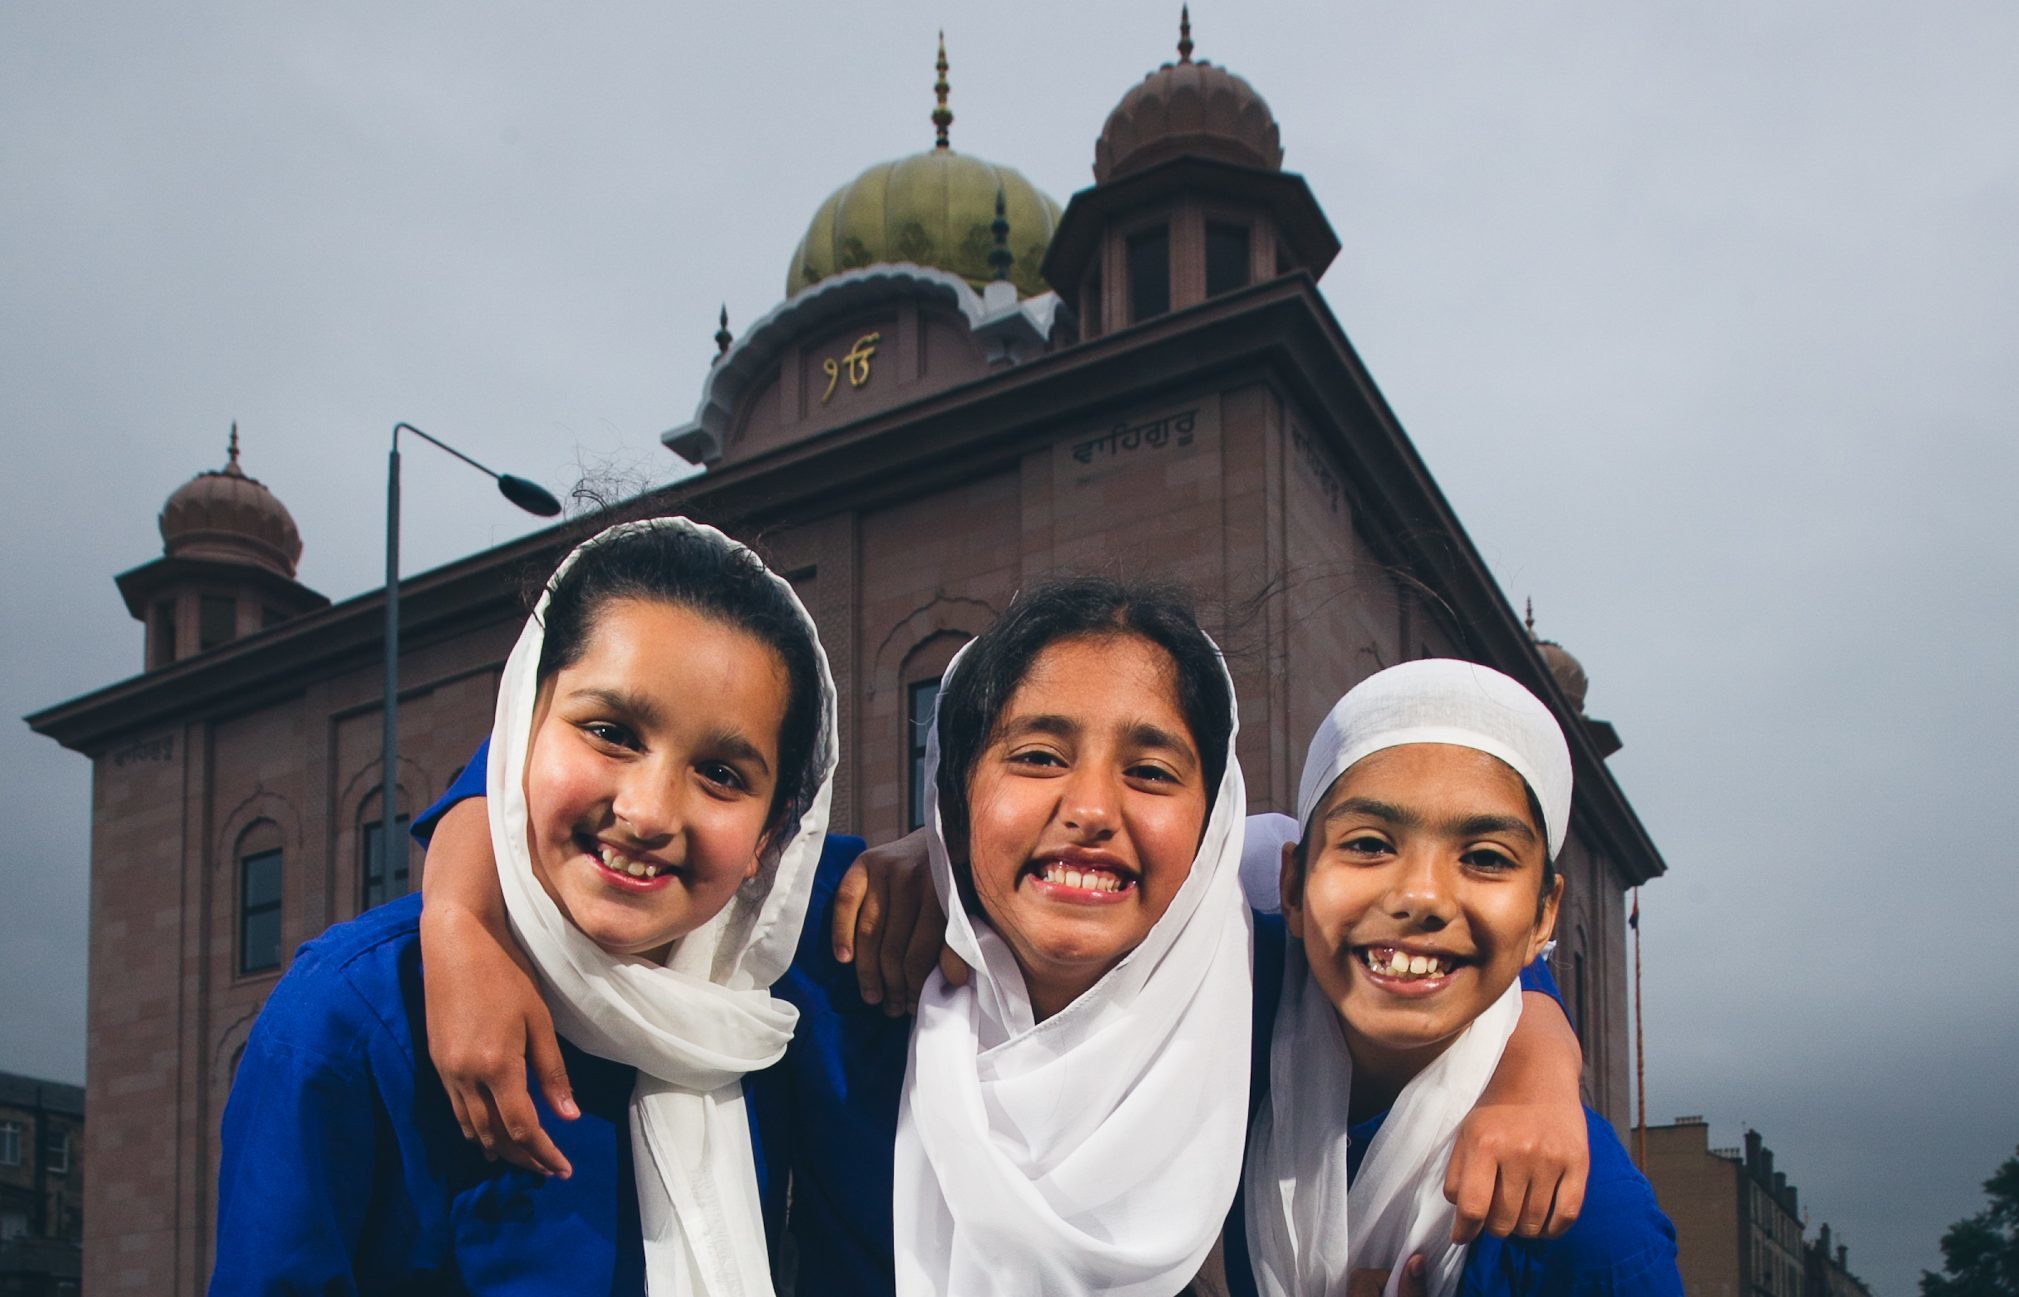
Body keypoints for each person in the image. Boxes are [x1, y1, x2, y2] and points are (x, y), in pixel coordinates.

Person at [419, 581, 1594, 1295]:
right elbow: (616, 772)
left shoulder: (1247, 982)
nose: (1090, 806)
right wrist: (461, 909)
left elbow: (1439, 932)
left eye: (1150, 769)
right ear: (956, 786)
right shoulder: (848, 944)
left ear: (1215, 813)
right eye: (1034, 757)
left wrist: (1542, 1055)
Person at [209, 518, 838, 1296]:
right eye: (609, 732)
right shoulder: (355, 1016)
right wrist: (459, 918)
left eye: (720, 773)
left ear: (769, 839)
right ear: (520, 730)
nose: (647, 811)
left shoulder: (759, 1017)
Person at [1231, 660, 1682, 1297]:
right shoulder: (1232, 1011)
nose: (1422, 897)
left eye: (1485, 858)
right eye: (1368, 844)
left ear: (1542, 918)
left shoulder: (1588, 1225)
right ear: (1293, 886)